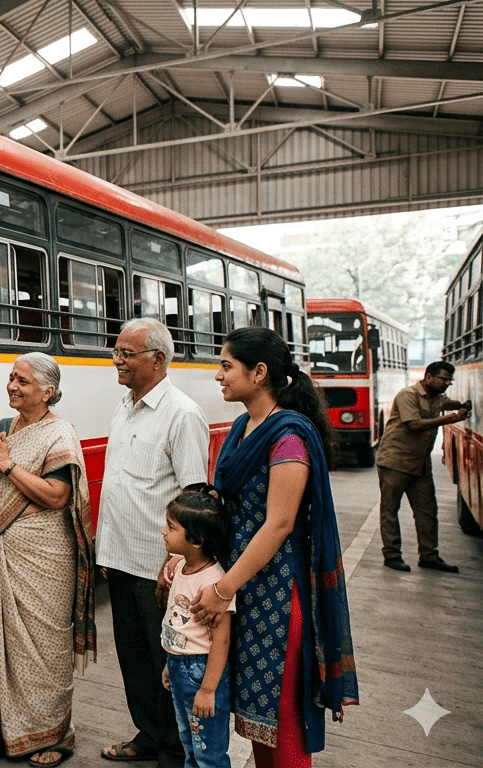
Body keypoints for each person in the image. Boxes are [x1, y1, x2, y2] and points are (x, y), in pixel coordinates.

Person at [190, 327, 358, 765]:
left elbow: (279, 524)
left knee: (282, 724)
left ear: (259, 373)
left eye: (226, 366)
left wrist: (223, 589)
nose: (218, 376)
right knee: (256, 718)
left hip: (277, 595)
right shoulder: (246, 426)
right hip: (245, 586)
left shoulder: (288, 437)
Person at [0, 353, 95, 768]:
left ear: (47, 391)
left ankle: (55, 734)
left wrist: (7, 463)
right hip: (2, 549)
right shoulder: (4, 428)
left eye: (22, 381)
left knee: (42, 648)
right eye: (11, 378)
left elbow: (57, 497)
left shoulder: (60, 434)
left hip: (43, 556)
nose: (12, 387)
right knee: (0, 642)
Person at [99, 319, 208, 767]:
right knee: (135, 660)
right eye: (117, 352)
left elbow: (194, 497)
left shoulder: (182, 414)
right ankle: (149, 734)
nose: (117, 360)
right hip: (121, 559)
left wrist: (176, 565)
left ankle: (173, 749)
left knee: (168, 664)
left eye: (127, 353)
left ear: (158, 360)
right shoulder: (125, 406)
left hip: (157, 568)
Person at [159, 485, 235, 768]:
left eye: (171, 527)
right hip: (181, 667)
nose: (164, 531)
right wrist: (171, 661)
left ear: (197, 540)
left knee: (209, 754)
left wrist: (208, 690)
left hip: (202, 672)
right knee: (190, 746)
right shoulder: (180, 567)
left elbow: (221, 641)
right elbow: (183, 626)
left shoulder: (213, 583)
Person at [375, 361, 472, 573]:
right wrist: (452, 418)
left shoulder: (438, 398)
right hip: (395, 461)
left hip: (420, 463)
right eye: (443, 379)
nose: (447, 384)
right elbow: (414, 425)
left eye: (449, 380)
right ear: (428, 377)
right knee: (390, 510)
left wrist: (463, 405)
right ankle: (392, 555)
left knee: (427, 510)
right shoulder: (407, 395)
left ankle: (429, 555)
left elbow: (451, 403)